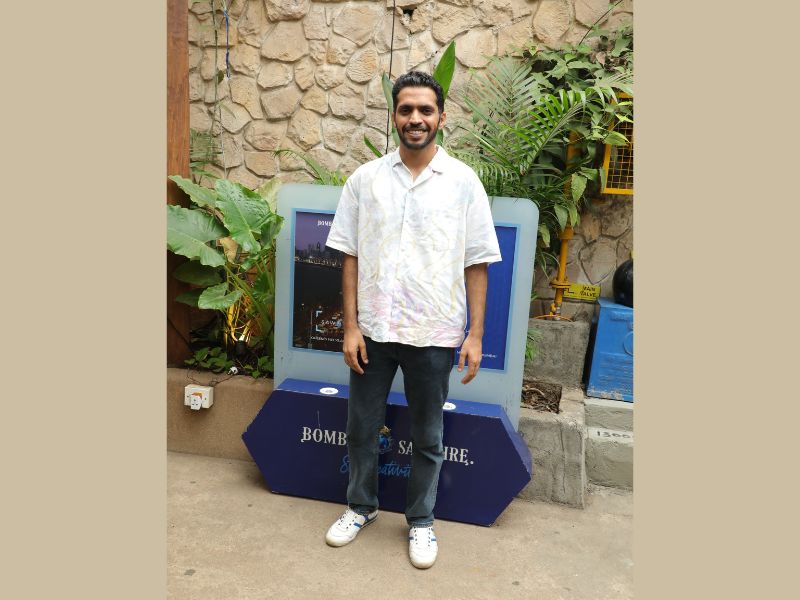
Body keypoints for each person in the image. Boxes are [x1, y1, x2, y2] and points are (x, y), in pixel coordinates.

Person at [323, 71, 501, 569]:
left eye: (425, 110)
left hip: (434, 333)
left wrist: (475, 335)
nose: (415, 118)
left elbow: (477, 262)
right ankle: (360, 508)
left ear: (441, 117)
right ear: (394, 116)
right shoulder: (365, 180)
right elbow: (350, 256)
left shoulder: (464, 183)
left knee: (428, 436)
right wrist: (351, 327)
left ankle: (421, 521)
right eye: (406, 110)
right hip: (374, 332)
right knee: (362, 428)